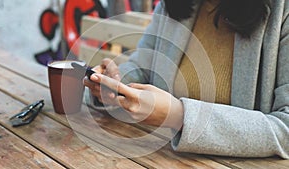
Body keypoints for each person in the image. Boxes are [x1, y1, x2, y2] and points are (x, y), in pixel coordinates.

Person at [84, 0, 289, 158]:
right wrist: (114, 83)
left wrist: (179, 115)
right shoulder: (172, 5)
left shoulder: (283, 12)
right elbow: (142, 67)